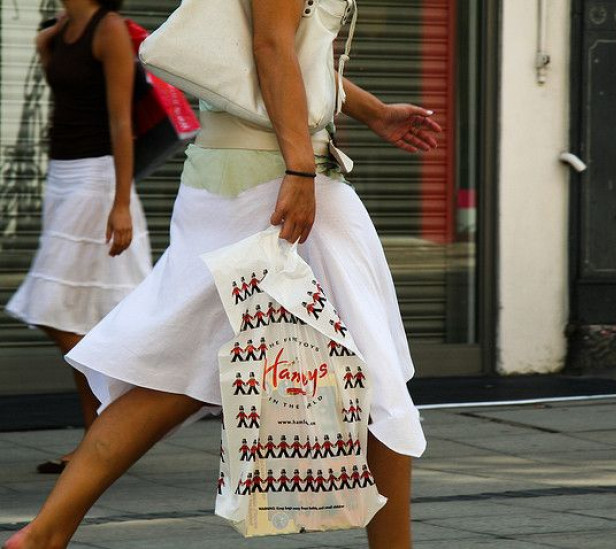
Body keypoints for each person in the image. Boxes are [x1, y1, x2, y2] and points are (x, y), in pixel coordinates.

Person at [2, 1, 441, 548]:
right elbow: (269, 49)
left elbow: (283, 49)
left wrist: (373, 112)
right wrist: (301, 167)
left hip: (244, 174)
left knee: (176, 374)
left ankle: (45, 533)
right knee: (375, 378)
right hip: (272, 177)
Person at [4, 0, 151, 474]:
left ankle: (117, 419)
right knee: (75, 315)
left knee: (48, 307)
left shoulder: (107, 29)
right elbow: (64, 91)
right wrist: (47, 44)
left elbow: (121, 121)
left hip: (96, 180)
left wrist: (122, 201)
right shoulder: (61, 30)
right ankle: (100, 434)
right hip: (61, 178)